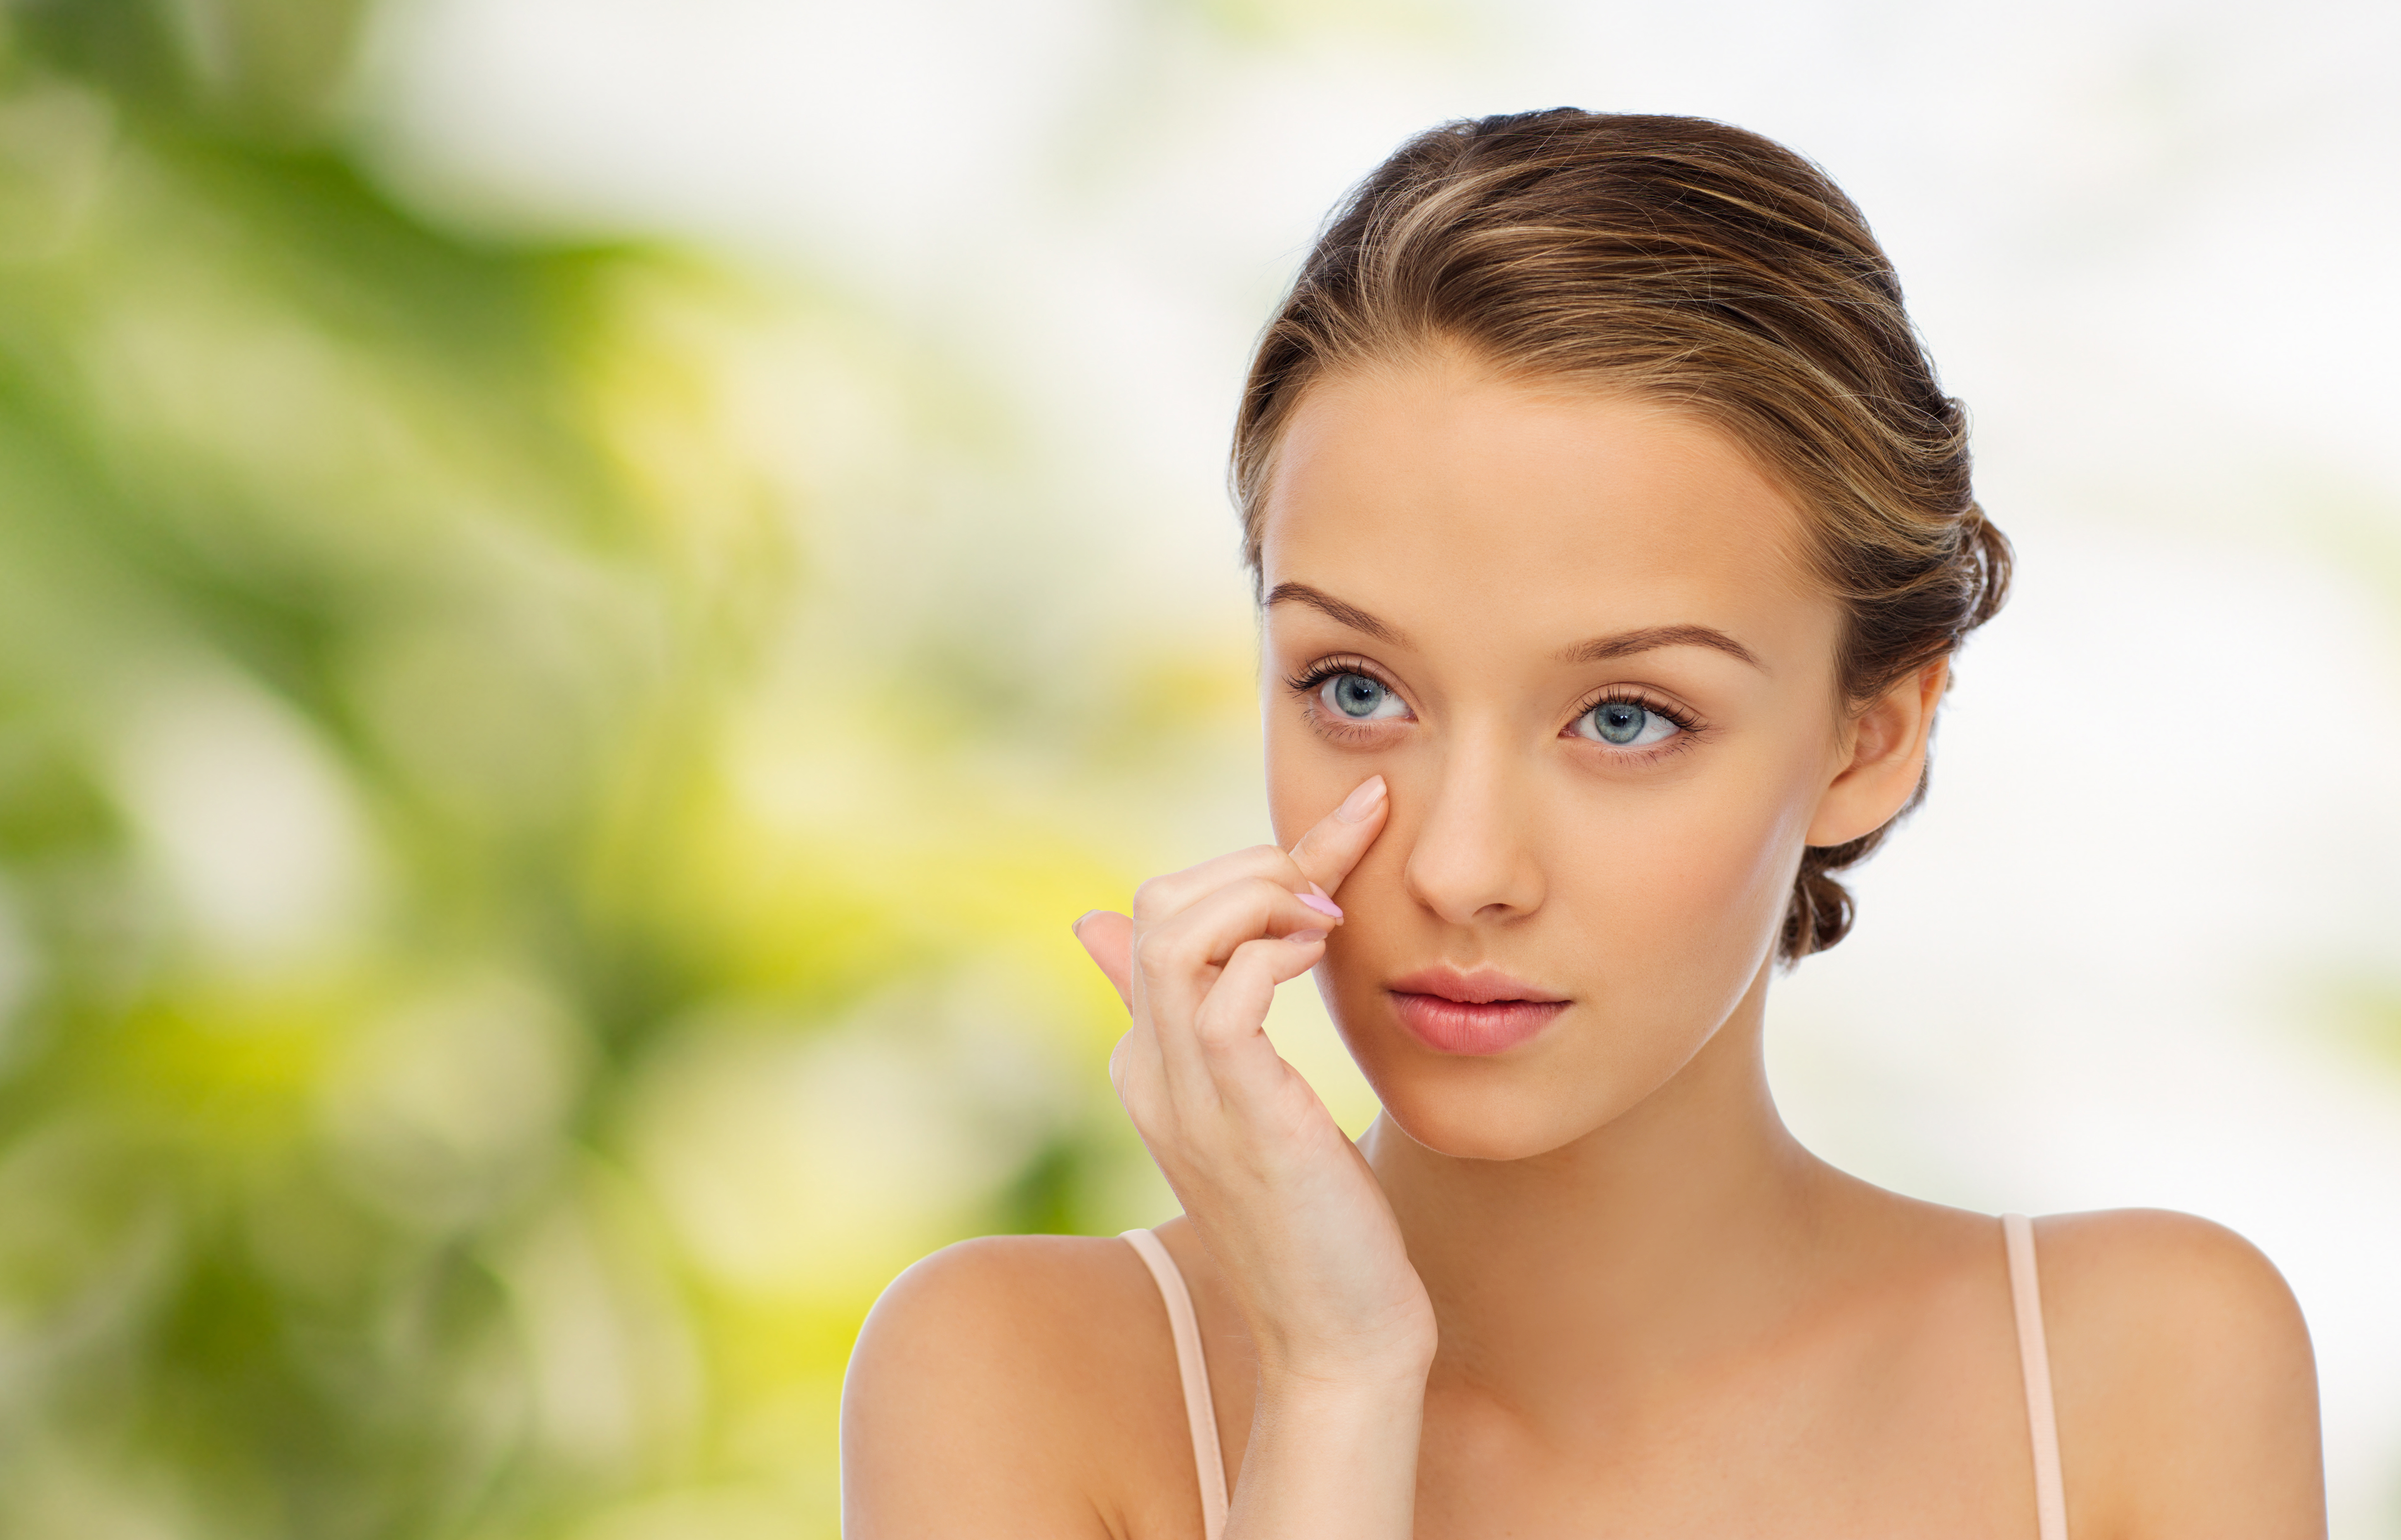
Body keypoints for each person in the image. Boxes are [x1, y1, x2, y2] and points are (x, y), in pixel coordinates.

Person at [838, 109, 2325, 1539]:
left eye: (1625, 717)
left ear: (1869, 739)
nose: (1460, 868)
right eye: (1355, 688)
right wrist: (1336, 1379)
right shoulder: (1015, 1375)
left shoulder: (2139, 1372)